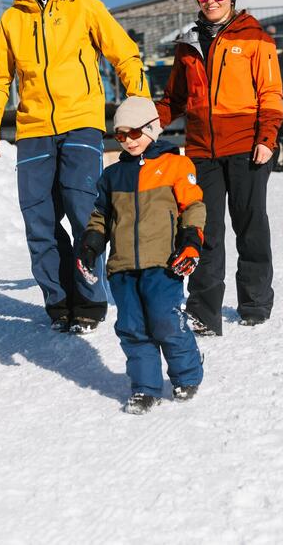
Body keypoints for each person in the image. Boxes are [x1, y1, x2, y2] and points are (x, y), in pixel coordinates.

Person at [0, 0, 150, 334]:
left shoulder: (84, 6)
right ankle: (59, 301)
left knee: (82, 211)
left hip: (81, 122)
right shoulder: (12, 19)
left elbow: (123, 52)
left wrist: (140, 102)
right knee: (39, 219)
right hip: (34, 128)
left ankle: (90, 299)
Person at [155, 0, 283, 334]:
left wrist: (266, 138)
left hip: (247, 147)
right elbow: (174, 99)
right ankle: (204, 313)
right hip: (201, 151)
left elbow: (271, 94)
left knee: (250, 224)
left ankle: (255, 303)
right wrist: (147, 123)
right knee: (204, 230)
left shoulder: (255, 38)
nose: (210, 0)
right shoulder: (188, 44)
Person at [76, 97, 206, 414]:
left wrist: (191, 241)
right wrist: (91, 244)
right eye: (121, 135)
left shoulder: (177, 165)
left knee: (165, 321)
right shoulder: (112, 176)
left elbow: (193, 207)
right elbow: (100, 217)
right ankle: (145, 387)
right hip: (122, 268)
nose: (128, 141)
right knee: (133, 327)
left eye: (134, 132)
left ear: (151, 129)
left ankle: (187, 375)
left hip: (164, 264)